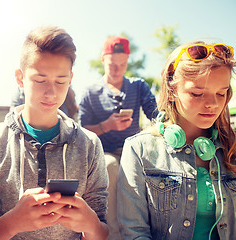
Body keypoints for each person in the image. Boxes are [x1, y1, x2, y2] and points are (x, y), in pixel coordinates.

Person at [0, 26, 109, 240]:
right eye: (40, 80)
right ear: (20, 78)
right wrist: (12, 223)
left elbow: (102, 231)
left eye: (60, 81)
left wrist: (90, 225)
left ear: (70, 79)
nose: (51, 92)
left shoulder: (89, 144)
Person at [117, 41, 236, 239]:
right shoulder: (138, 149)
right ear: (172, 90)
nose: (213, 104)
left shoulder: (232, 148)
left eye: (221, 93)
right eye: (197, 93)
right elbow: (134, 232)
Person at [78, 35, 158, 239]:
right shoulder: (90, 92)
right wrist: (107, 126)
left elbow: (156, 114)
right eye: (112, 64)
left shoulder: (138, 86)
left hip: (135, 150)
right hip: (105, 152)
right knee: (110, 166)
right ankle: (113, 235)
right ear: (103, 59)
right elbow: (82, 131)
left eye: (122, 65)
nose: (117, 69)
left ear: (127, 62)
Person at [10, 85, 79, 119]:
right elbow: (13, 117)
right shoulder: (21, 93)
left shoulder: (68, 94)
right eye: (40, 81)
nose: (50, 95)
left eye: (60, 81)